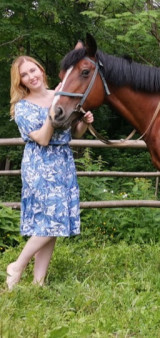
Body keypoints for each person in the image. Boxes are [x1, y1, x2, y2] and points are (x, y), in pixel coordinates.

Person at [5, 56, 94, 290]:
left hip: (63, 163)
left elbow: (76, 134)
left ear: (41, 70)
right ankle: (18, 265)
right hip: (40, 165)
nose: (31, 76)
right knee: (51, 222)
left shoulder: (61, 95)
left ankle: (38, 282)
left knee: (51, 224)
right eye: (24, 75)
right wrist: (52, 112)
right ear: (20, 81)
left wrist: (84, 121)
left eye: (33, 70)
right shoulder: (22, 107)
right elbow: (43, 139)